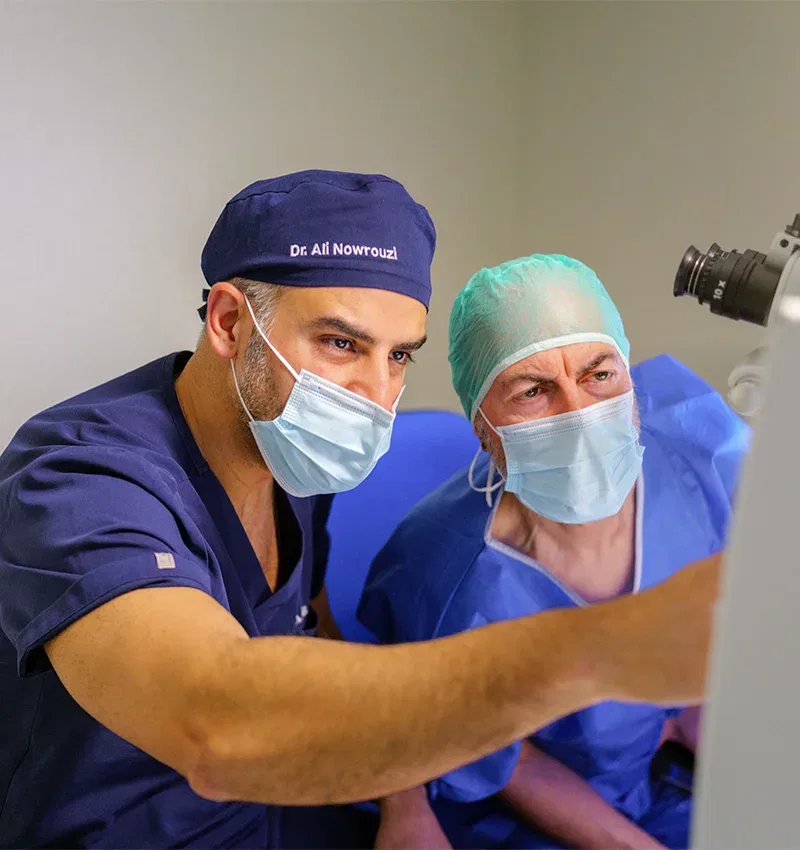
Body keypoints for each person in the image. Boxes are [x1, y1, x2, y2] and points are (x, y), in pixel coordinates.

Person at [0, 173, 721, 850]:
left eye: (400, 355)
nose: (375, 393)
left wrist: (404, 806)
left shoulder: (287, 458)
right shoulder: (81, 480)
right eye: (341, 343)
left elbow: (312, 634)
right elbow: (215, 725)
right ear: (229, 321)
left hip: (278, 815)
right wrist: (600, 649)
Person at [359, 254, 749, 850]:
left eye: (599, 376)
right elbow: (502, 757)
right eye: (533, 390)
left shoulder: (696, 448)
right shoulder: (447, 575)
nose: (581, 414)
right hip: (557, 806)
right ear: (484, 428)